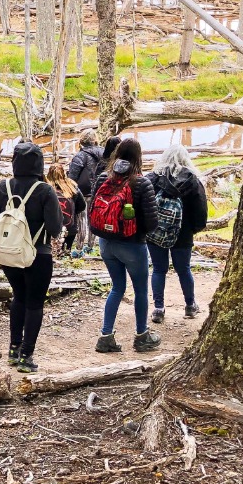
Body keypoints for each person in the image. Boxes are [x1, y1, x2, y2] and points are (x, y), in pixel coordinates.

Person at [0, 143, 63, 372]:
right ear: (40, 163)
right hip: (39, 254)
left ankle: (13, 349)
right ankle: (26, 358)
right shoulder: (45, 190)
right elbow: (56, 228)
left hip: (9, 253)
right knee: (35, 303)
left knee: (19, 297)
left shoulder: (2, 186)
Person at [89, 138, 161, 353]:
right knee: (140, 291)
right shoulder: (142, 182)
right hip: (132, 245)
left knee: (117, 288)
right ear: (138, 157)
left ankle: (106, 336)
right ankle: (142, 336)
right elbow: (151, 223)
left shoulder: (104, 177)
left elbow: (92, 210)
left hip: (106, 243)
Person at [146, 144, 208, 323]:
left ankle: (158, 308)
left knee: (158, 269)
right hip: (183, 232)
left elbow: (144, 205)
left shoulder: (153, 179)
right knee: (184, 269)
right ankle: (190, 305)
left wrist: (147, 227)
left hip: (156, 232)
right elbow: (201, 210)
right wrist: (194, 229)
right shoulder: (193, 181)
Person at [46, 163, 86, 258]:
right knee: (66, 252)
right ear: (64, 173)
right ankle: (66, 254)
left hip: (50, 228)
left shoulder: (46, 187)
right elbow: (82, 205)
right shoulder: (72, 187)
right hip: (70, 228)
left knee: (50, 252)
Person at [67, 129, 104, 199]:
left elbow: (71, 179)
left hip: (84, 195)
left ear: (82, 141)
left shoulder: (79, 156)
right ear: (95, 139)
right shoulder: (104, 152)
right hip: (101, 191)